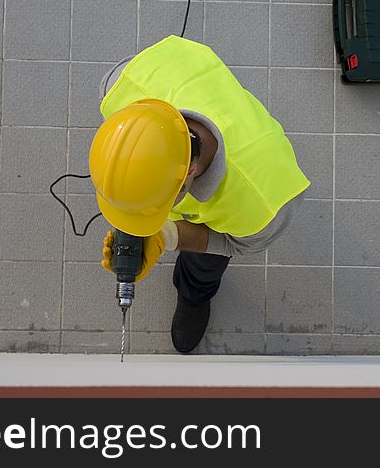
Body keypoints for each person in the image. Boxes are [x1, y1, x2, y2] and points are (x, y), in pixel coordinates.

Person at [89, 35, 310, 354]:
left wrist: (171, 235)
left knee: (204, 263)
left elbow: (233, 243)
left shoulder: (265, 198)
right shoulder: (127, 84)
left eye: (152, 206)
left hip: (253, 160)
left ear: (188, 174)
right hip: (181, 78)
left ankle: (195, 294)